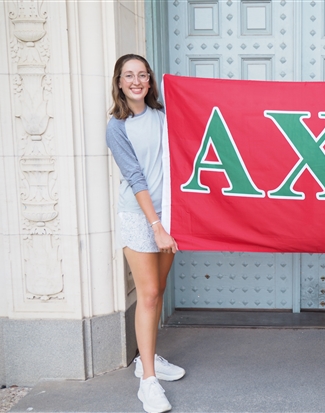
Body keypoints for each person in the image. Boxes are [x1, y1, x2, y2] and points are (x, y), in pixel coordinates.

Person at [106, 54, 185, 413]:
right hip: (141, 218)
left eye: (142, 75)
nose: (136, 81)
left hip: (170, 214)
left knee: (160, 288)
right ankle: (148, 383)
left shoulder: (165, 119)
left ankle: (146, 358)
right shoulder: (116, 127)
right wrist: (156, 226)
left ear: (150, 82)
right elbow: (136, 178)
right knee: (149, 293)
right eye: (129, 76)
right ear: (119, 83)